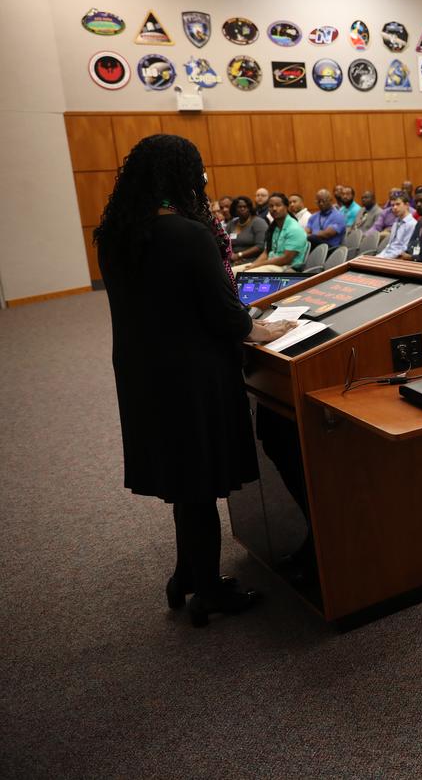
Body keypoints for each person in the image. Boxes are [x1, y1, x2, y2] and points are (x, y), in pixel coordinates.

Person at [94, 134, 293, 627]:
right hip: (191, 374)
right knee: (199, 482)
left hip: (143, 372)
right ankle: (208, 591)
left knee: (183, 480)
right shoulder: (187, 234)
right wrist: (265, 328)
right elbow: (227, 316)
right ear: (183, 176)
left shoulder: (116, 232)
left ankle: (187, 572)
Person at [239, 192, 307, 272]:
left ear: (286, 207)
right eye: (271, 206)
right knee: (232, 272)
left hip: (288, 268)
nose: (274, 209)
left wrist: (259, 265)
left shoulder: (294, 229)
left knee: (247, 274)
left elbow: (286, 259)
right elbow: (266, 253)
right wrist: (253, 265)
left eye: (278, 205)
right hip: (270, 264)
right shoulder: (274, 228)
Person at [225, 195, 267, 269]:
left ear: (250, 208)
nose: (242, 209)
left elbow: (260, 246)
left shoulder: (258, 222)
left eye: (245, 207)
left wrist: (240, 255)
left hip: (252, 260)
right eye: (239, 207)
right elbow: (224, 242)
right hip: (232, 260)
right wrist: (231, 255)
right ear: (235, 209)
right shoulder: (231, 224)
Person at [376, 195, 417, 259]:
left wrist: (383, 258)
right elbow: (390, 246)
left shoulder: (412, 224)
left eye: (398, 204)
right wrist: (379, 256)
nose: (394, 207)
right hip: (386, 256)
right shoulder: (396, 222)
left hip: (396, 260)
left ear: (407, 205)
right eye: (392, 205)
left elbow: (404, 249)